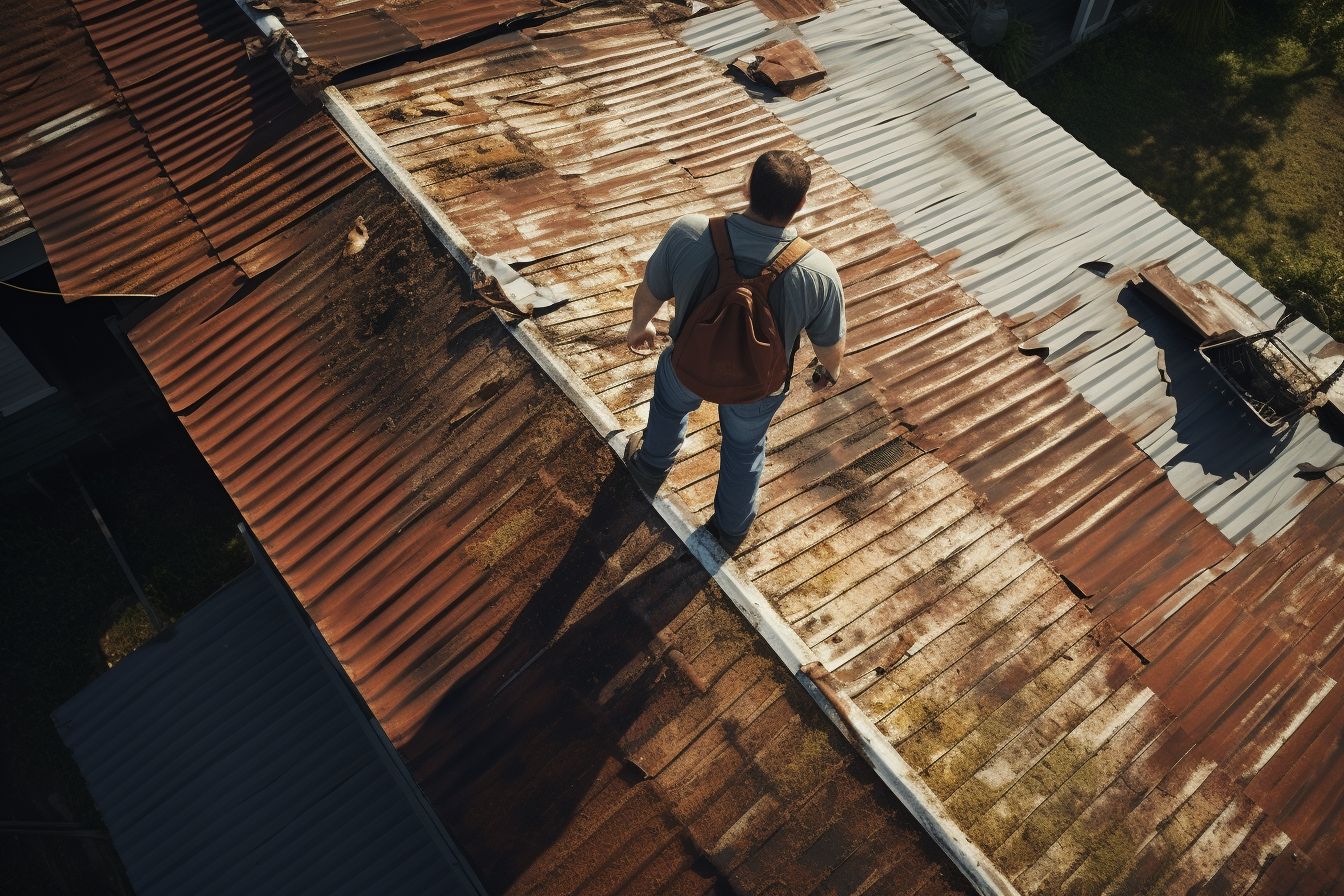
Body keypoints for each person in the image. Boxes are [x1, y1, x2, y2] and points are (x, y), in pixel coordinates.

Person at [624, 149, 847, 552]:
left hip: (688, 364)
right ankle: (730, 529)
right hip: (757, 387)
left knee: (669, 406)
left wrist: (640, 326)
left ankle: (651, 465)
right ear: (801, 204)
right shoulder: (818, 271)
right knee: (744, 448)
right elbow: (829, 346)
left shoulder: (689, 232)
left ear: (746, 188)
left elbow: (651, 291)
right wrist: (828, 373)